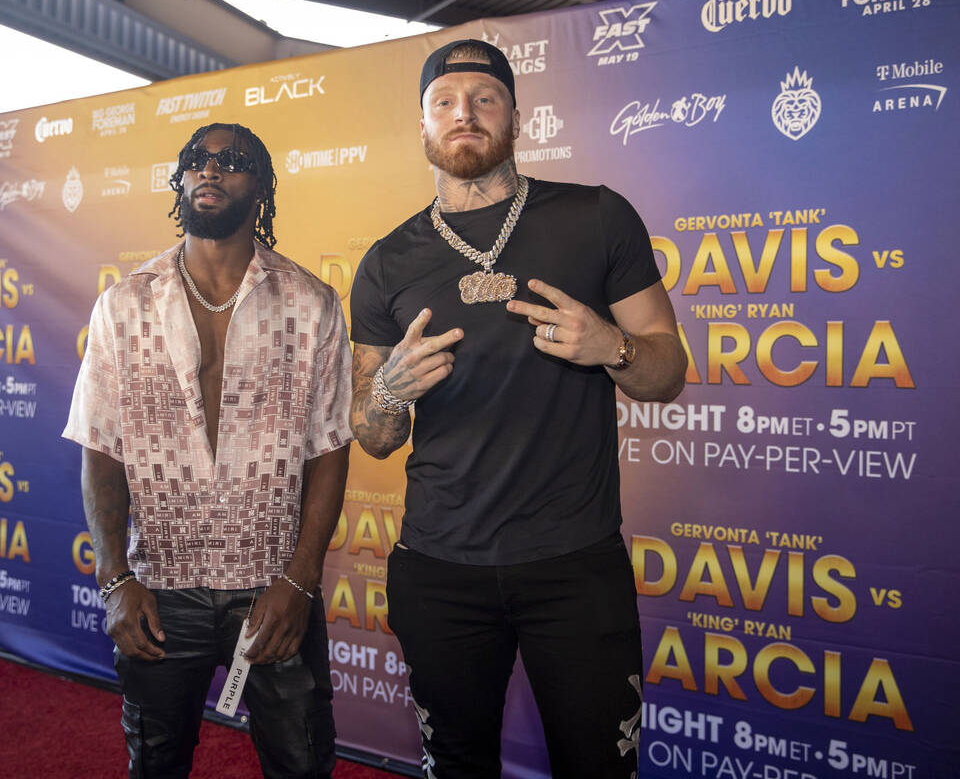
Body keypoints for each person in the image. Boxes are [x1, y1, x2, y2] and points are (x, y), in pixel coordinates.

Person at [348, 40, 687, 777]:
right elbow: (372, 437)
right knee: (458, 766)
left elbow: (667, 371)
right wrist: (386, 392)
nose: (463, 113)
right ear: (422, 126)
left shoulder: (596, 217)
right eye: (444, 102)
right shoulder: (386, 262)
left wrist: (613, 348)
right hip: (440, 568)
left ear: (515, 118)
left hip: (574, 564)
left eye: (484, 99)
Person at [63, 123, 352, 779]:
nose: (211, 171)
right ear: (179, 180)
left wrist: (299, 582)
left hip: (272, 588)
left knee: (303, 764)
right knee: (155, 766)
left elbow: (328, 450)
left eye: (232, 161)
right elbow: (100, 451)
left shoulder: (311, 303)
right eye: (196, 160)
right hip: (160, 591)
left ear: (263, 186)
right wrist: (114, 580)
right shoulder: (123, 305)